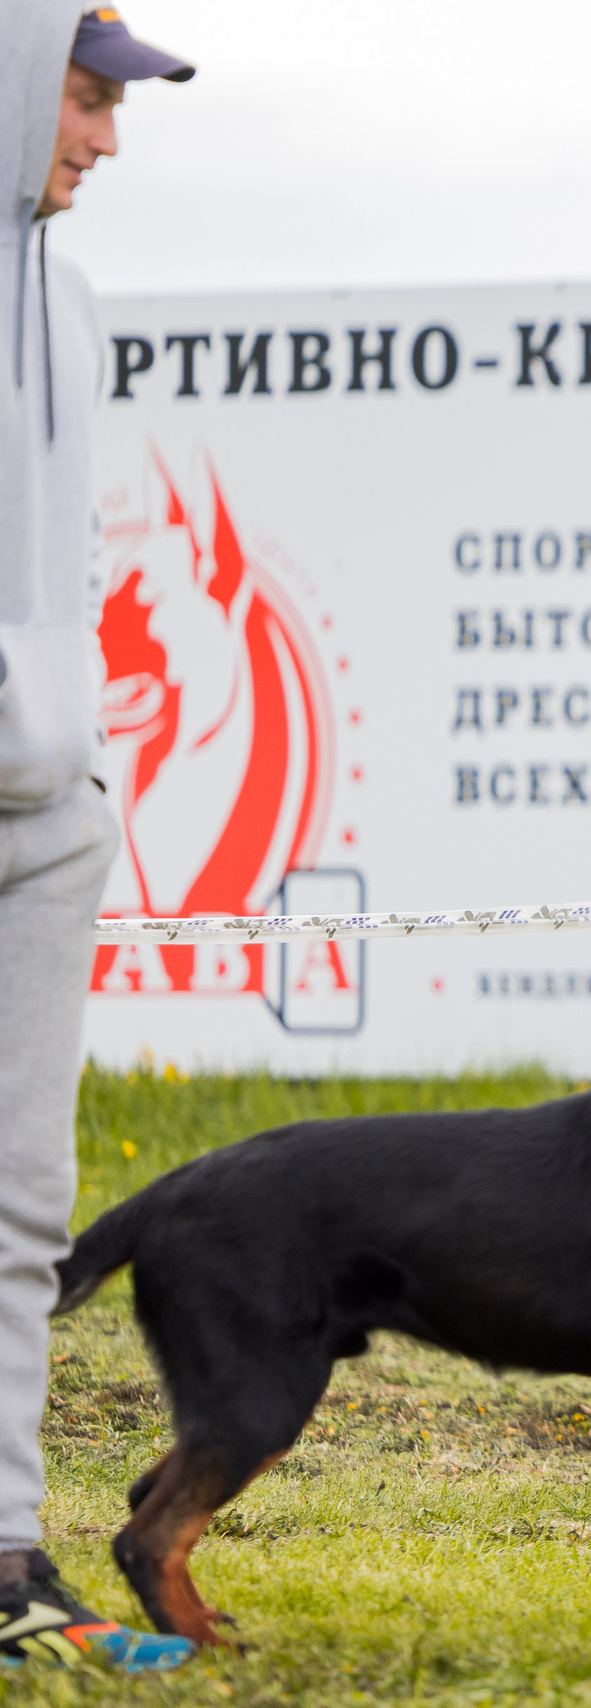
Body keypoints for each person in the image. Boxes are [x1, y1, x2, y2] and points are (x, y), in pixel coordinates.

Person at [0, 8, 196, 1676]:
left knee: (23, 1202)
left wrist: (72, 771)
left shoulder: (64, 287)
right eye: (82, 98)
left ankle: (2, 1549)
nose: (106, 141)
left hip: (42, 814)